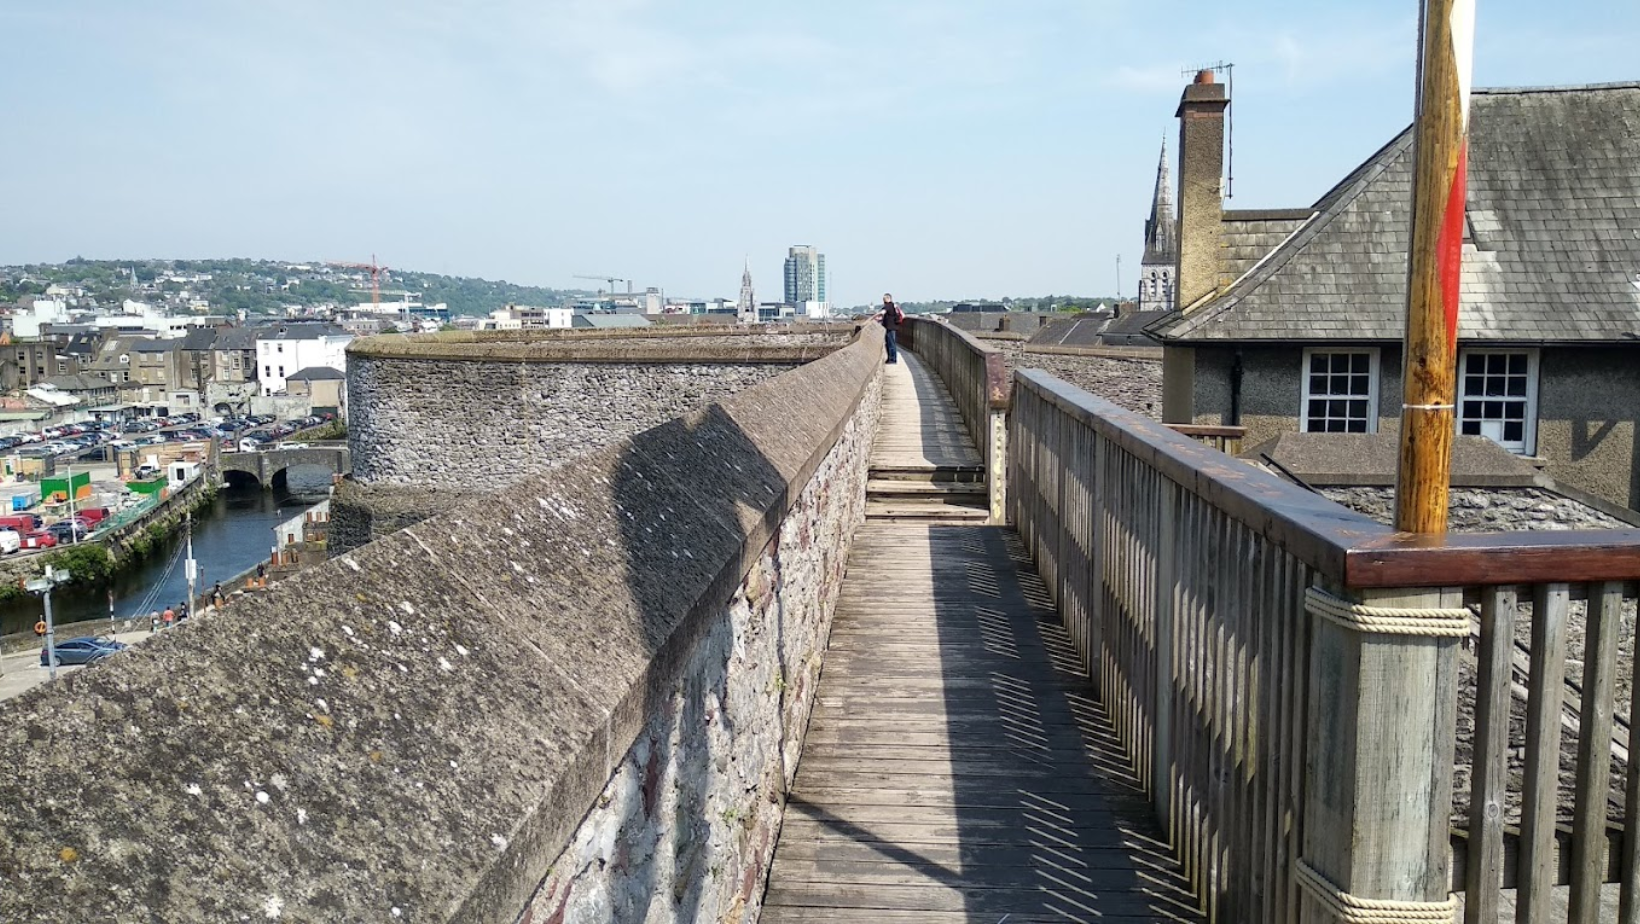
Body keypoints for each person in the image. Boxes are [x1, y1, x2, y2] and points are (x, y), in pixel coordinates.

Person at [874, 293, 904, 364]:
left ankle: (892, 359)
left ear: (888, 299)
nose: (883, 301)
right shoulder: (894, 306)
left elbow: (882, 312)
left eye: (884, 299)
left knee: (890, 343)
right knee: (891, 343)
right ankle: (891, 358)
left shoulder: (888, 305)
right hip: (893, 326)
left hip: (889, 327)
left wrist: (874, 317)